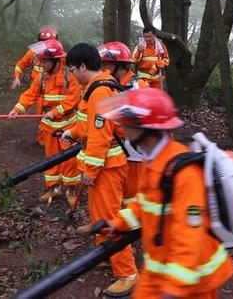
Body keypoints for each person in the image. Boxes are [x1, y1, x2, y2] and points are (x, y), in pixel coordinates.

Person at [100, 88, 233, 298]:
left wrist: (174, 288)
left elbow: (191, 234)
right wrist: (118, 223)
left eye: (126, 123)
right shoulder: (153, 159)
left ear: (144, 127)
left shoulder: (184, 172)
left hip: (192, 279)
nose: (122, 128)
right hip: (160, 267)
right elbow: (144, 202)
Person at [61, 43, 138, 297]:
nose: (71, 74)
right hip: (103, 166)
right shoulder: (93, 89)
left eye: (72, 69)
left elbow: (100, 136)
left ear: (83, 66)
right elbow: (88, 127)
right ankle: (105, 254)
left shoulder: (100, 91)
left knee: (111, 219)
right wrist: (72, 132)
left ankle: (127, 273)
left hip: (107, 168)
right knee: (99, 216)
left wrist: (91, 170)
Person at [8, 39, 81, 204]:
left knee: (69, 161)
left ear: (56, 60)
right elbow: (30, 94)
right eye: (40, 61)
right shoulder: (41, 76)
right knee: (50, 159)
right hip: (48, 127)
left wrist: (55, 112)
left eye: (45, 61)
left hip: (68, 127)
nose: (41, 64)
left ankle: (71, 190)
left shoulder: (70, 75)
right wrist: (17, 109)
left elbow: (73, 99)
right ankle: (54, 189)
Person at [98, 41, 148, 206]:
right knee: (112, 191)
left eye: (106, 64)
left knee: (132, 194)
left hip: (133, 150)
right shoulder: (107, 86)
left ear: (119, 65)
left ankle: (132, 227)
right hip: (113, 147)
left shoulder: (138, 86)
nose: (103, 68)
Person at [133, 26, 169, 90]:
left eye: (149, 36)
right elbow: (134, 60)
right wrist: (139, 52)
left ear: (154, 35)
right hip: (143, 80)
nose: (147, 39)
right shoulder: (139, 47)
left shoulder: (161, 47)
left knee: (157, 98)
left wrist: (161, 63)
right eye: (145, 37)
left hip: (157, 80)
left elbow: (167, 60)